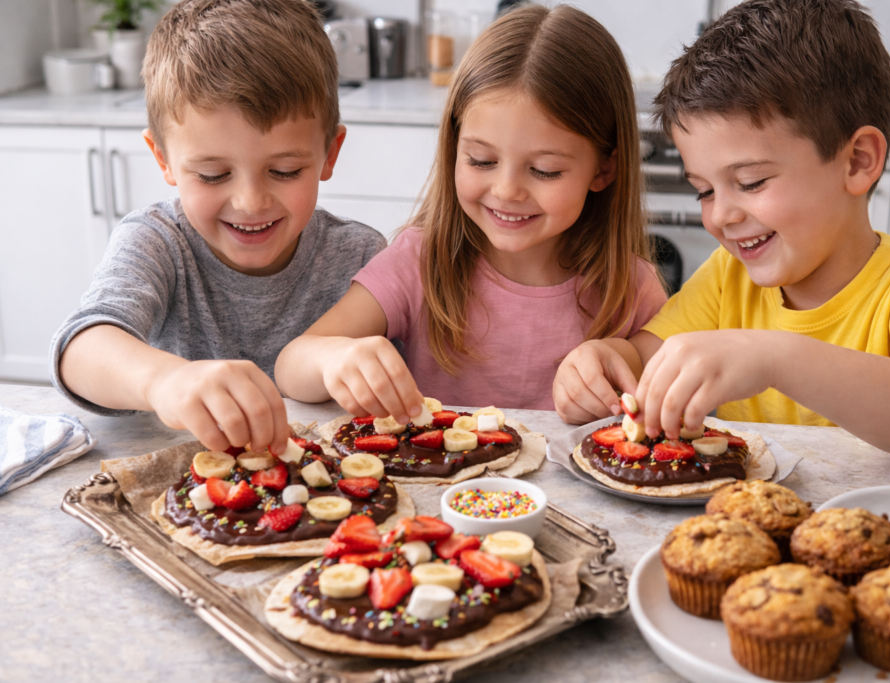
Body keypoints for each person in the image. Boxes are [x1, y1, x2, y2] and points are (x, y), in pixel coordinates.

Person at [553, 0, 890, 464]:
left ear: (857, 161)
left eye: (751, 183)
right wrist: (603, 362)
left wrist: (774, 358)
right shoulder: (729, 277)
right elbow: (645, 361)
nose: (721, 216)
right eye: (704, 191)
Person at [275, 4, 666, 420]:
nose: (507, 191)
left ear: (604, 169)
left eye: (544, 170)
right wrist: (336, 360)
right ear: (454, 149)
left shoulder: (631, 288)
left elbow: (677, 380)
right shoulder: (420, 261)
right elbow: (291, 365)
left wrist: (622, 356)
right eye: (481, 160)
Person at [50, 0, 385, 456]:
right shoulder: (158, 241)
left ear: (329, 153)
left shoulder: (360, 254)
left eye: (285, 170)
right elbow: (80, 349)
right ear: (163, 159)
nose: (250, 202)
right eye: (212, 175)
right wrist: (166, 380)